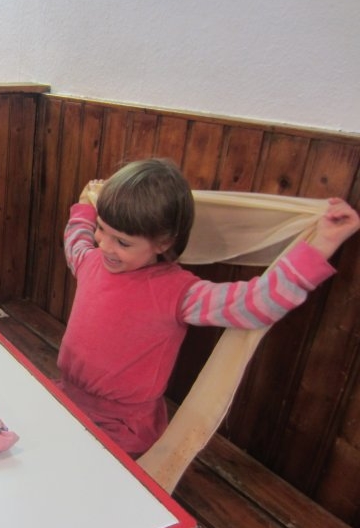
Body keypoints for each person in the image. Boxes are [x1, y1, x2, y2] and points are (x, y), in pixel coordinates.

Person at [59, 158, 360, 457]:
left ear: (163, 243)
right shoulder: (90, 260)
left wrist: (322, 243)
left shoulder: (179, 293)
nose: (104, 245)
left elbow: (257, 303)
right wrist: (86, 205)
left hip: (122, 428)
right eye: (101, 228)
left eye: (122, 242)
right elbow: (76, 238)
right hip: (66, 399)